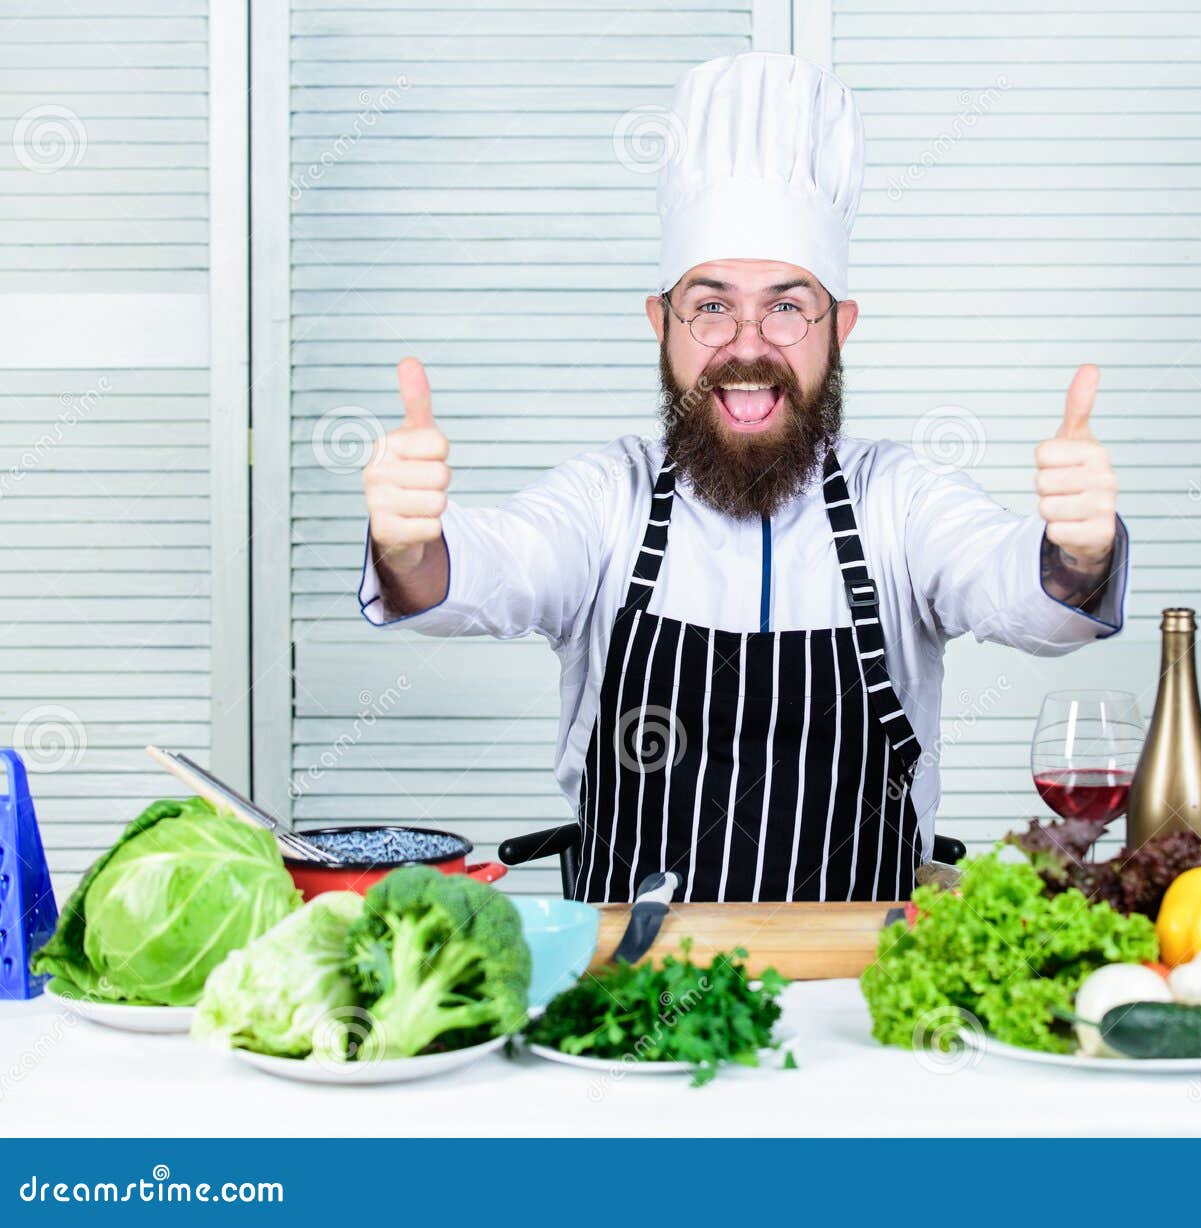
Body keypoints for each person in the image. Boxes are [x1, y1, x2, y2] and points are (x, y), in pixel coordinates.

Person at [358, 52, 1128, 903]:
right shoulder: (605, 500)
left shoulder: (899, 502)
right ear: (662, 325)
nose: (749, 343)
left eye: (789, 305)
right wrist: (409, 542)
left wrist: (1077, 550)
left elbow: (1018, 591)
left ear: (842, 329)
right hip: (633, 994)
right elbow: (485, 569)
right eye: (712, 305)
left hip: (867, 994)